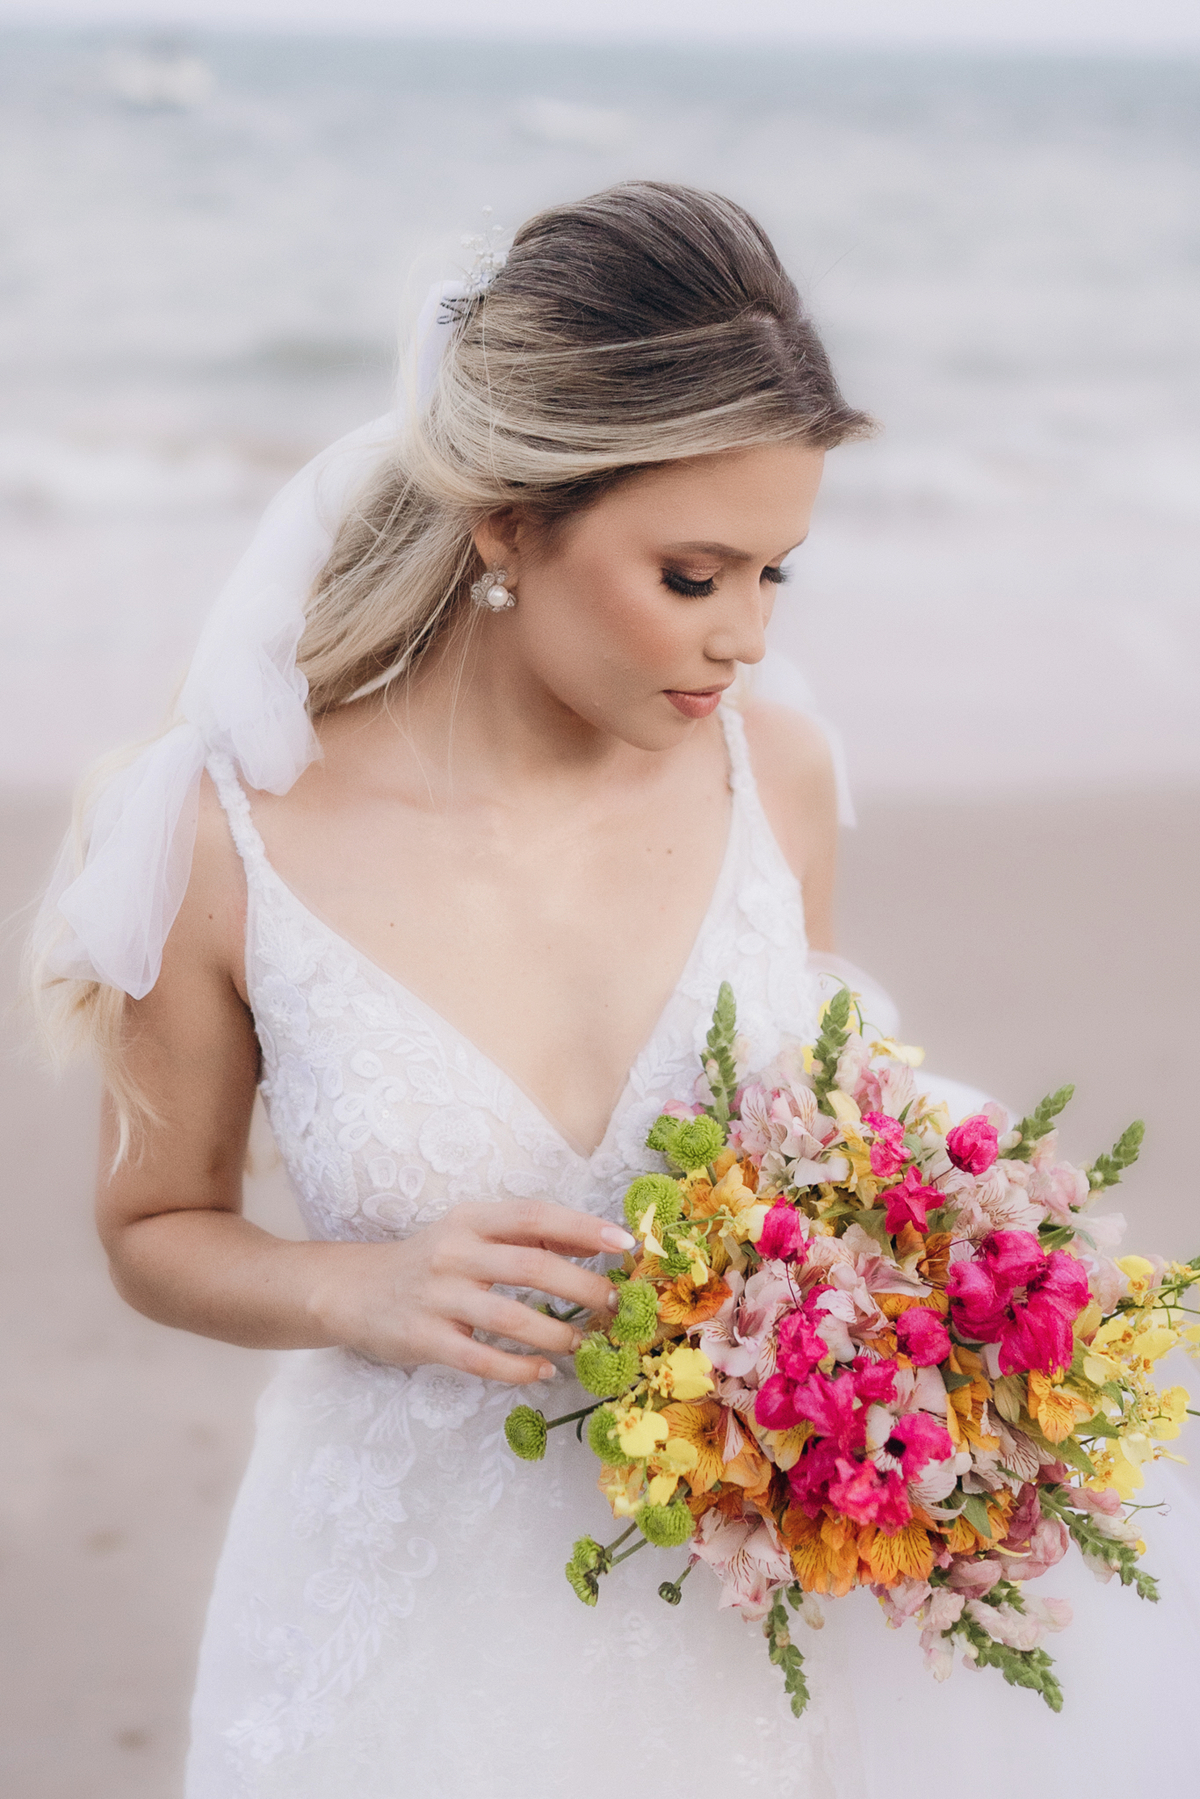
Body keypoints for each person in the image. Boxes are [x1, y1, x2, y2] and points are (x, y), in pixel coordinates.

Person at [29, 182, 1200, 1799]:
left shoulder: (771, 779)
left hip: (732, 1635)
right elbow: (153, 1227)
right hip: (399, 1638)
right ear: (508, 519)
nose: (746, 643)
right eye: (694, 575)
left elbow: (825, 1155)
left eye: (779, 576)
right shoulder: (223, 840)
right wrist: (349, 1290)